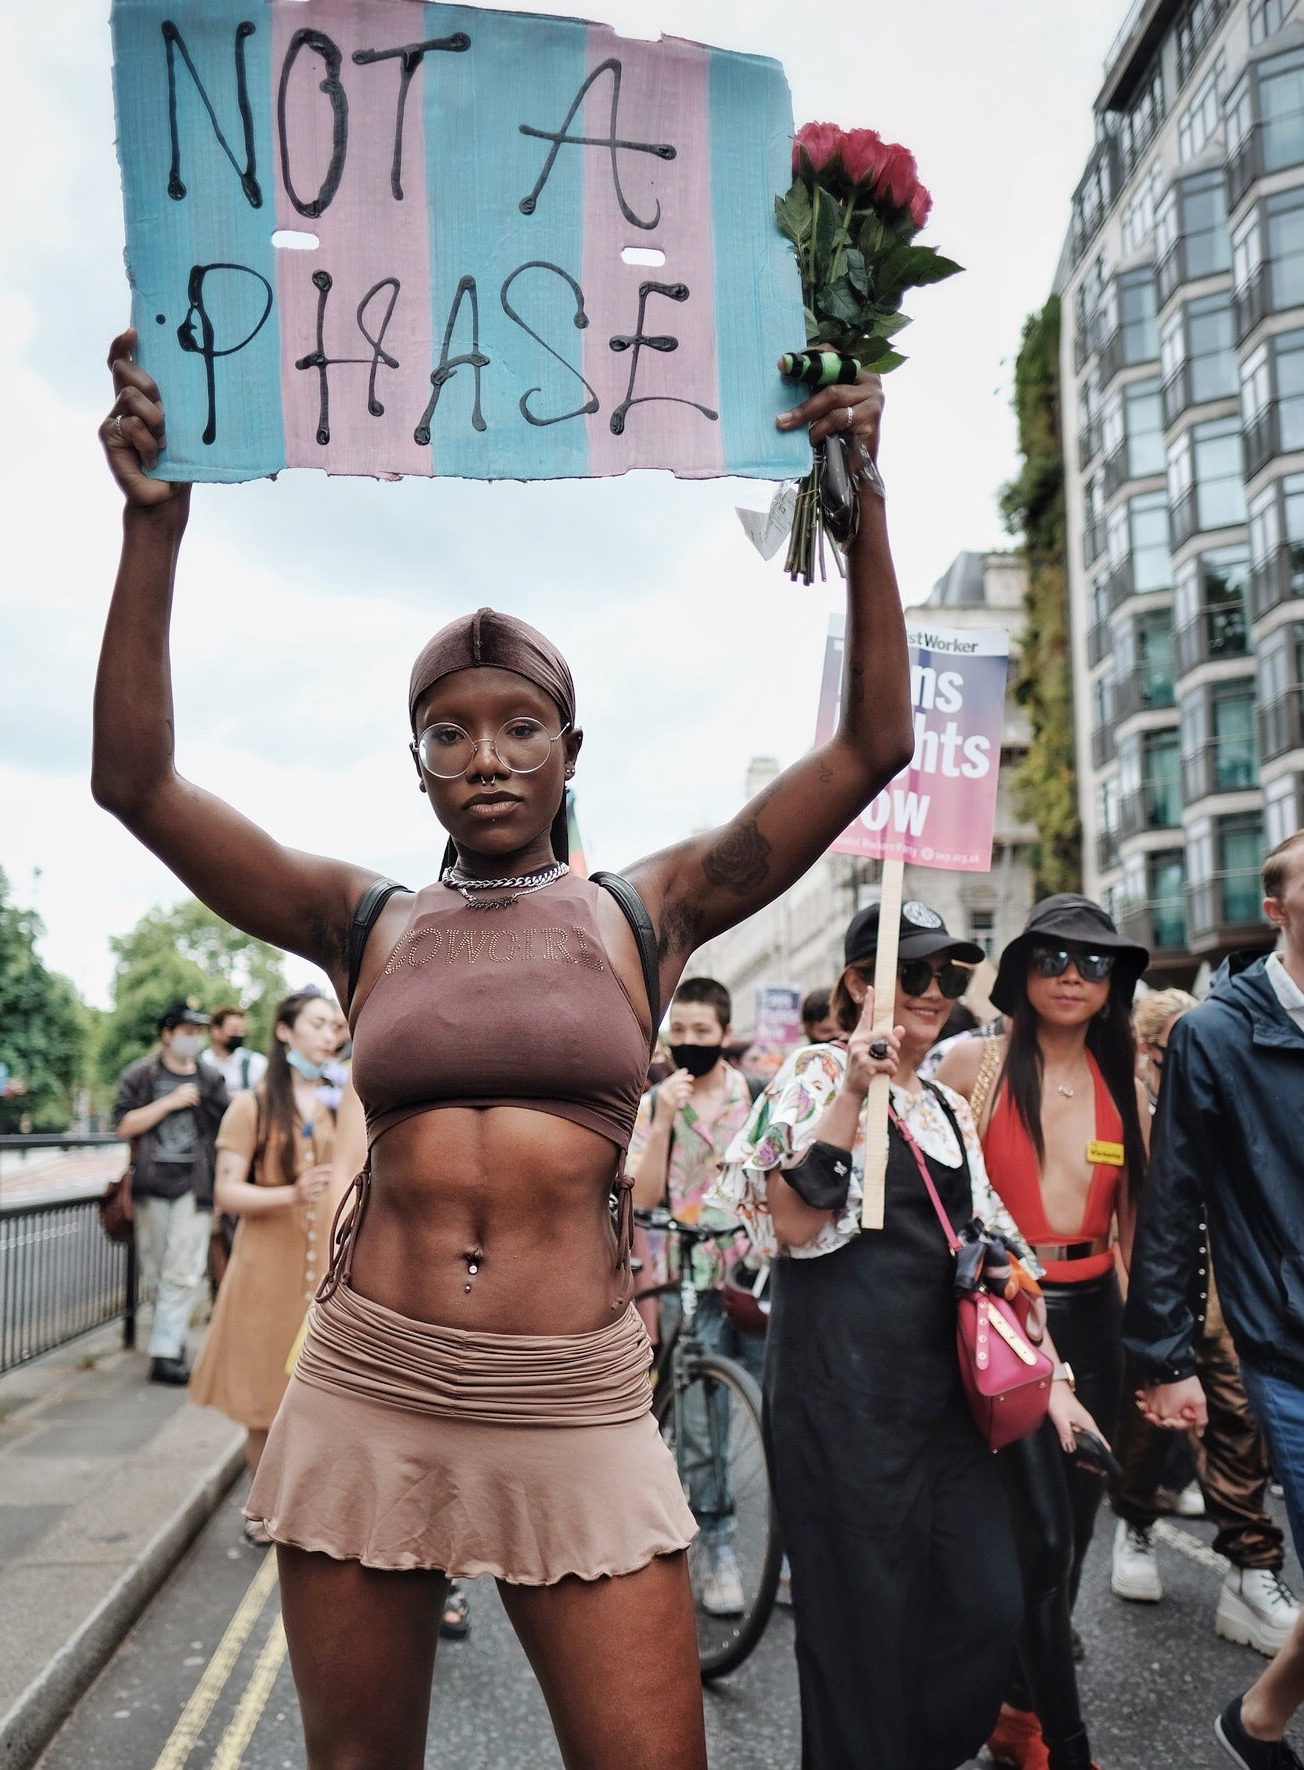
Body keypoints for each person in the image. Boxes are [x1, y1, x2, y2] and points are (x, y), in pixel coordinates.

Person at [93, 327, 912, 1770]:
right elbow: (137, 780)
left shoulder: (642, 912)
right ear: (416, 759)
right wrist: (151, 528)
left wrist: (866, 506)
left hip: (575, 1392)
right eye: (449, 731)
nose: (485, 753)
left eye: (520, 724)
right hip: (370, 1373)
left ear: (571, 748)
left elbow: (867, 749)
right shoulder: (368, 923)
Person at [712, 900, 1101, 1770]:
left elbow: (997, 1236)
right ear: (860, 982)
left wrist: (1058, 1379)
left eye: (948, 975)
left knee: (983, 1603)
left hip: (945, 1401)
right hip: (840, 1396)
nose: (934, 992)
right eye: (914, 971)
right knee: (860, 1628)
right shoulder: (813, 1072)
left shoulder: (947, 1107)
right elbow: (792, 1224)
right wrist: (854, 1088)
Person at [938, 894, 1150, 1770]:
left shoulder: (1127, 1080)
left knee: (1076, 1530)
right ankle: (1051, 1740)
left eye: (1094, 963)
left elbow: (1136, 1221)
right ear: (1021, 971)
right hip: (1006, 1323)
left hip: (1097, 1319)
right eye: (1055, 958)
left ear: (1113, 985)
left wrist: (1155, 1349)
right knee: (1041, 1537)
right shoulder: (971, 1065)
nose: (1073, 975)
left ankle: (1013, 1705)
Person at [1124, 828, 1304, 1770]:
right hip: (1285, 1344)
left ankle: (1261, 1717)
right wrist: (1164, 1357)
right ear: (1276, 908)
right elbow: (1172, 1201)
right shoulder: (1215, 1033)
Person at [1109, 991, 1298, 1658]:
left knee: (1238, 1420)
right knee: (1145, 1427)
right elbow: (1129, 1199)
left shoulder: (1225, 1087)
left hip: (1225, 1289)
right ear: (1153, 1047)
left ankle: (1251, 1565)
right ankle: (1133, 1523)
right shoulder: (1132, 1099)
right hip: (1154, 1286)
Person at [190, 989, 340, 1540]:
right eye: (320, 1024)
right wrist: (291, 1195)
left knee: (322, 1402)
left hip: (322, 1268)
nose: (331, 1036)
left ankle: (305, 1506)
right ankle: (263, 1509)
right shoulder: (250, 1105)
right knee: (263, 1401)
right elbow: (226, 1193)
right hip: (263, 1270)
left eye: (336, 1028)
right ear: (284, 1031)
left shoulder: (339, 1104)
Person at [628, 975, 754, 1618]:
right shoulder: (656, 1103)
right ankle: (719, 1552)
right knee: (700, 1428)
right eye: (680, 1033)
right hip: (686, 1278)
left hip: (749, 1278)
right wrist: (666, 1117)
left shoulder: (753, 1098)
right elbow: (644, 1200)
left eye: (702, 1033)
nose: (689, 1043)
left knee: (764, 1409)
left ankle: (785, 1551)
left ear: (725, 1036)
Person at [112, 999, 229, 1384]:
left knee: (182, 1270)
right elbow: (123, 1125)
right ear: (167, 1034)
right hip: (151, 1185)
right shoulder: (141, 1076)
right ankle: (171, 1339)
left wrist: (221, 1188)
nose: (193, 1039)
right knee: (156, 1269)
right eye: (187, 1032)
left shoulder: (210, 1079)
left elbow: (223, 1131)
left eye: (198, 1033)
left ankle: (163, 1356)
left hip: (194, 1187)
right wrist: (168, 1103)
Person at [207, 1005, 268, 1097]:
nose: (239, 1035)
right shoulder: (202, 1062)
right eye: (234, 1030)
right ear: (215, 1031)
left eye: (242, 1031)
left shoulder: (256, 1063)